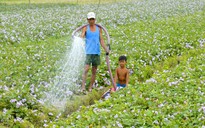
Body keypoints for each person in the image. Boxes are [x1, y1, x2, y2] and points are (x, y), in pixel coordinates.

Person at [80, 12, 109, 93]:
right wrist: (79, 38)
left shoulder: (98, 28)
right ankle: (83, 87)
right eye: (90, 19)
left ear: (95, 19)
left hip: (96, 52)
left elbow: (101, 40)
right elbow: (82, 35)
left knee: (94, 70)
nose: (91, 21)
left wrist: (105, 48)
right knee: (86, 69)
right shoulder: (85, 28)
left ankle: (90, 87)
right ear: (87, 20)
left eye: (93, 19)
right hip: (88, 52)